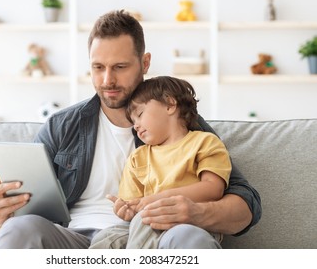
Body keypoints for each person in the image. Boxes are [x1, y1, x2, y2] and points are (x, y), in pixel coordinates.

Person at [0, 10, 261, 249]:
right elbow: (17, 208)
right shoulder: (62, 126)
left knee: (191, 238)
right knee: (16, 230)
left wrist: (196, 213)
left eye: (120, 67)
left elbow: (247, 204)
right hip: (73, 241)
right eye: (98, 67)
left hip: (148, 239)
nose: (108, 80)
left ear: (144, 63)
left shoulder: (179, 121)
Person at [90, 76, 232, 249]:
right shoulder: (138, 157)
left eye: (140, 115)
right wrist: (126, 210)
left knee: (146, 221)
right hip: (144, 225)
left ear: (170, 105)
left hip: (190, 223)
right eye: (133, 121)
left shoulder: (204, 142)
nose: (135, 126)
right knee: (106, 238)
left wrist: (156, 200)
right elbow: (134, 206)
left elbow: (213, 188)